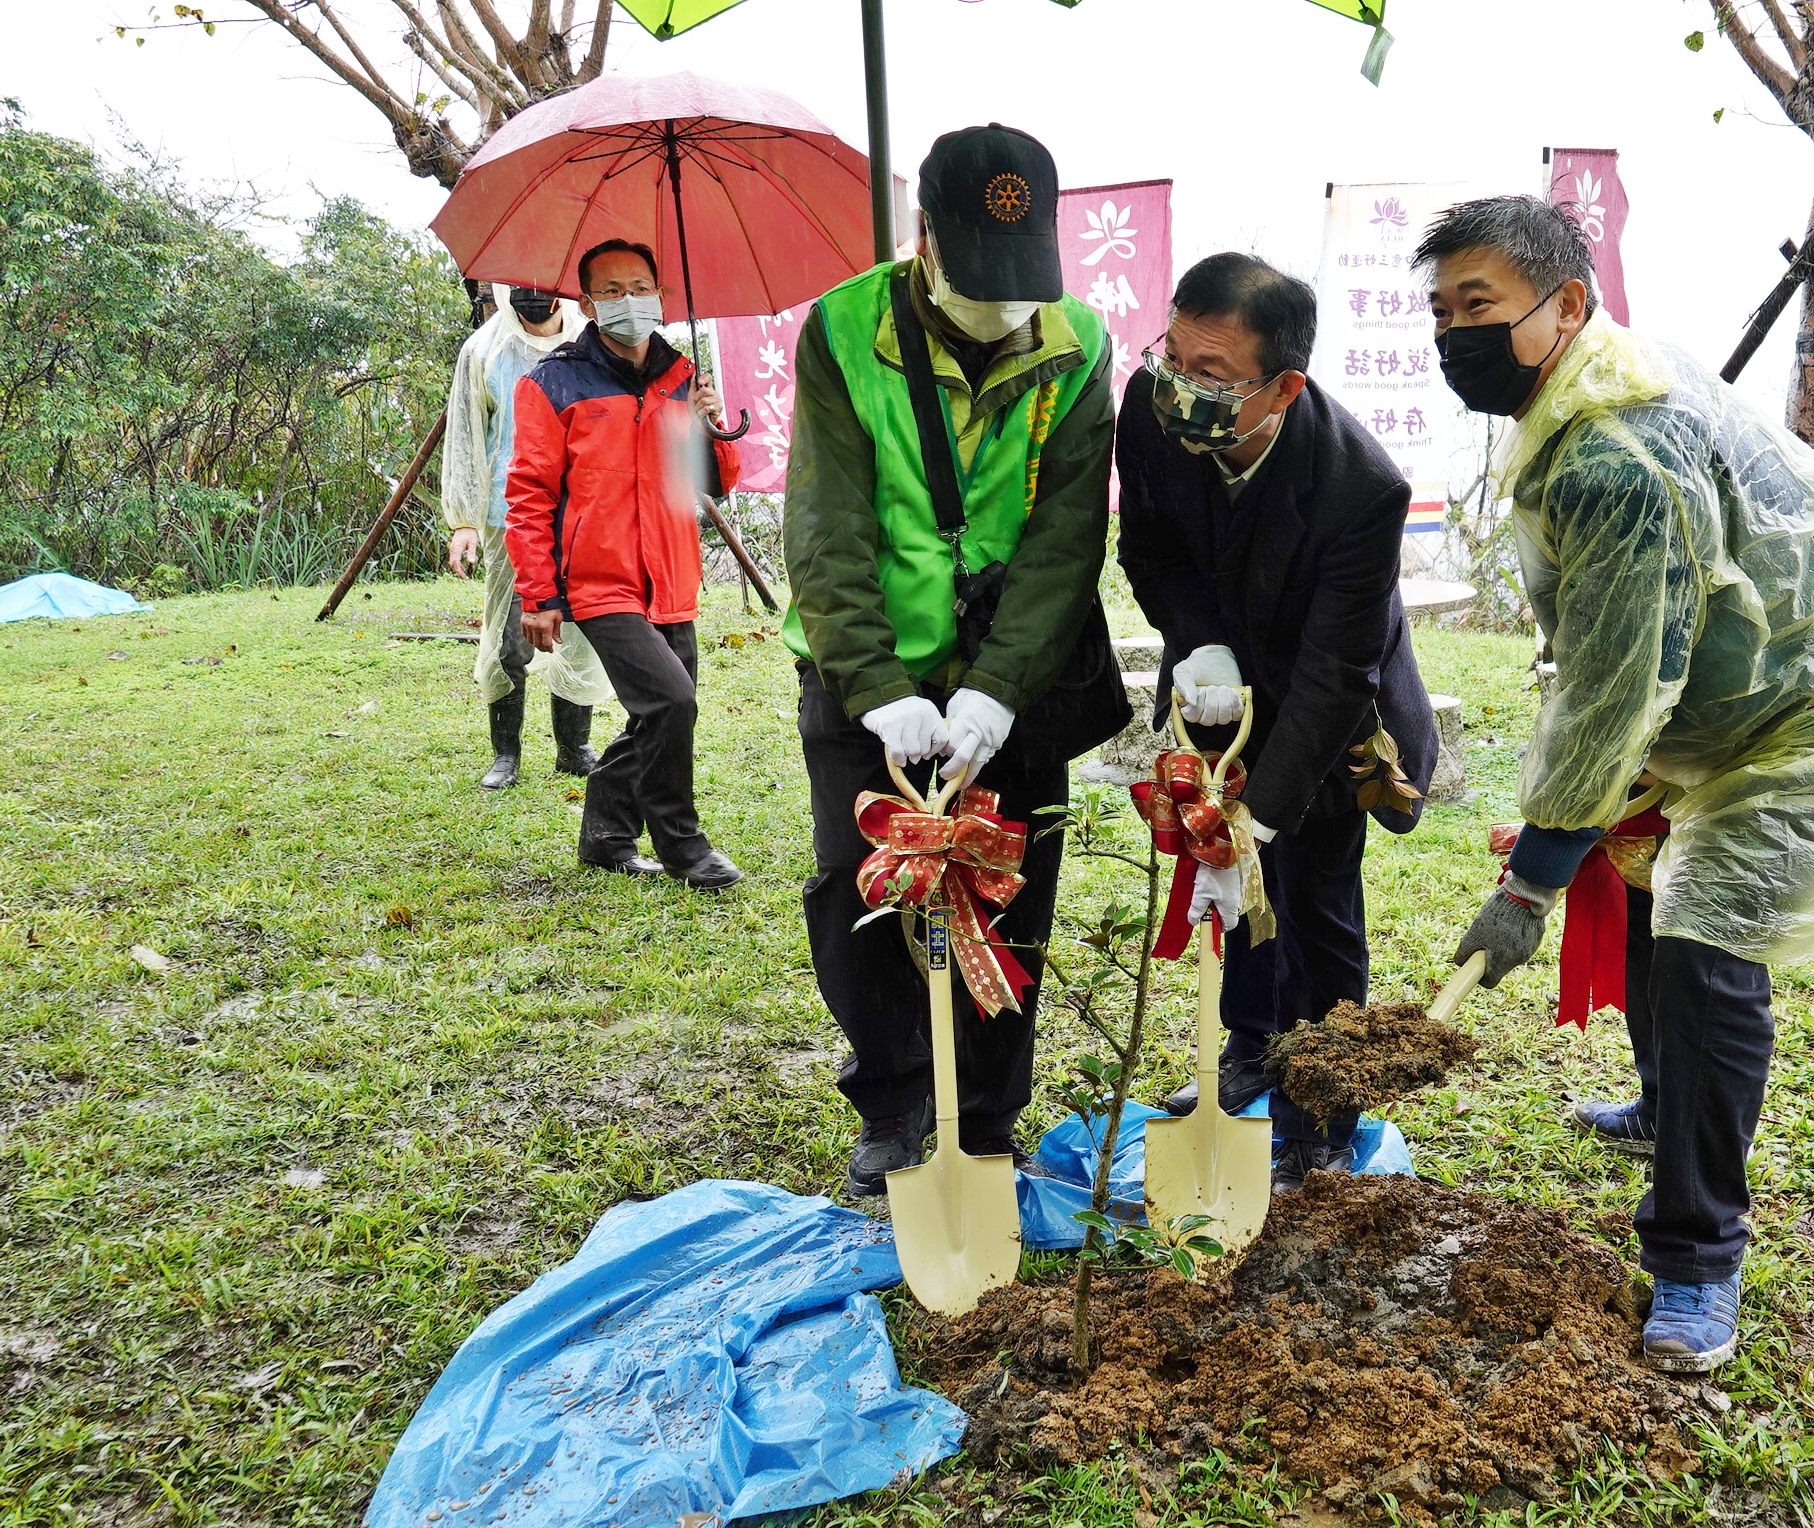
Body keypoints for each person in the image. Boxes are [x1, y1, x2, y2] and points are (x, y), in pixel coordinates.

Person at [1428, 196, 1814, 1373]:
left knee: (1709, 952)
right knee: (1657, 887)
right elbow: (1621, 659)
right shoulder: (1585, 385)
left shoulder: (1616, 448)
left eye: (1482, 307)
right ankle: (1661, 1106)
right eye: (1443, 309)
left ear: (1566, 305)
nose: (1456, 333)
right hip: (1733, 682)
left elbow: (1612, 687)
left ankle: (1697, 1261)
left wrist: (1528, 884)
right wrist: (1580, 829)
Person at [781, 124, 1126, 1197]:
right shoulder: (842, 330)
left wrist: (996, 689)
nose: (1003, 311)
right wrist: (878, 689)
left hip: (1013, 675)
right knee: (862, 886)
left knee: (1010, 892)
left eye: (1020, 287)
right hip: (866, 674)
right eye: (981, 284)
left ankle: (983, 1116)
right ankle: (891, 1099)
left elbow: (1068, 542)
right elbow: (827, 530)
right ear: (924, 236)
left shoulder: (1080, 346)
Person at [1116, 252, 1437, 1192]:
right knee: (1231, 895)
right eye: (1174, 357)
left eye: (1211, 375)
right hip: (1217, 686)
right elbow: (1149, 546)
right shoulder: (1151, 405)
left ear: (1283, 386)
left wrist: (1264, 816)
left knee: (1312, 896)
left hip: (1326, 705)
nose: (1180, 387)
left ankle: (1320, 1113)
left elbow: (1341, 667)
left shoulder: (1361, 487)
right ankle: (1248, 1050)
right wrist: (1199, 641)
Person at [504, 238, 745, 890]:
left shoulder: (682, 376)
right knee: (672, 703)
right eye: (610, 291)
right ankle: (683, 848)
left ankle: (607, 836)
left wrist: (707, 426)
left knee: (655, 714)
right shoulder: (552, 382)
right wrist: (537, 593)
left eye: (639, 286)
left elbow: (715, 481)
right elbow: (528, 495)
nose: (627, 301)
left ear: (660, 296)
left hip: (671, 575)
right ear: (586, 303)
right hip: (600, 580)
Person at [440, 282, 614, 790]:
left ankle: (574, 746)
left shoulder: (593, 343)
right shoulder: (483, 351)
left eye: (543, 284)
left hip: (581, 512)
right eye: (519, 285)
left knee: (581, 630)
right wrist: (465, 520)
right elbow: (467, 437)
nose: (532, 293)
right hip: (507, 515)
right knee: (509, 633)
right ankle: (506, 754)